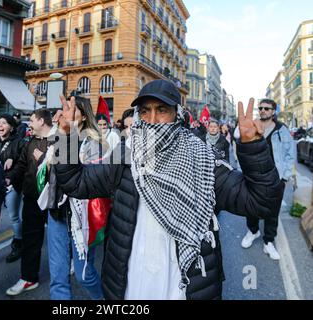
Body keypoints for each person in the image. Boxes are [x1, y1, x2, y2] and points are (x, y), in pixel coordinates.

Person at [53, 79, 284, 300]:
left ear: (177, 114)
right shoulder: (125, 156)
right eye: (145, 111)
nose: (152, 119)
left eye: (161, 110)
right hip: (131, 283)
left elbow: (263, 202)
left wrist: (254, 147)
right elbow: (76, 183)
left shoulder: (202, 160)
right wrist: (66, 137)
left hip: (183, 285)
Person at [46, 96, 106, 300]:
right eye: (64, 107)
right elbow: (50, 171)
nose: (66, 111)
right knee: (58, 276)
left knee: (84, 275)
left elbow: (91, 179)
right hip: (57, 210)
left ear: (83, 115)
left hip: (83, 216)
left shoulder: (96, 142)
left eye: (71, 108)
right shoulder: (57, 136)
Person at [5, 109, 53, 296]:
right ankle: (28, 278)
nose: (29, 124)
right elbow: (22, 165)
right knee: (31, 239)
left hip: (54, 200)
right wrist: (9, 178)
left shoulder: (60, 140)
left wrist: (42, 158)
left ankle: (72, 263)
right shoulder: (29, 142)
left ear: (41, 121)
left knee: (62, 239)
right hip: (32, 199)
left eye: (31, 120)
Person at [240, 98, 295, 260]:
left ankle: (269, 241)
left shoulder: (281, 130)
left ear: (273, 112)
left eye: (267, 108)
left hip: (275, 178)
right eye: (261, 108)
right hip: (253, 177)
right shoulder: (252, 125)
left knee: (272, 211)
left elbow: (290, 154)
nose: (263, 110)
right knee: (250, 207)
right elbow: (241, 146)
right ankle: (253, 231)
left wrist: (284, 177)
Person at [0, 114, 26, 263]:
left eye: (4, 123)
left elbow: (22, 164)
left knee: (14, 216)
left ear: (11, 127)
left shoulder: (19, 143)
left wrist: (13, 163)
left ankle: (18, 243)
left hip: (11, 185)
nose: (0, 125)